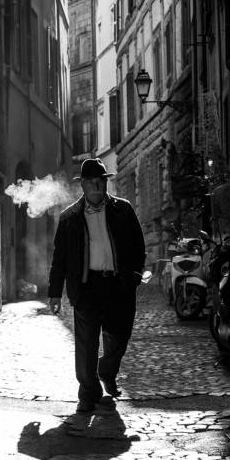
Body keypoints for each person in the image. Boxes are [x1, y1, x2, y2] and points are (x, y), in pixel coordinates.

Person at [46, 157, 147, 412]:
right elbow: (60, 258)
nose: (96, 186)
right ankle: (88, 393)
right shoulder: (69, 217)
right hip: (86, 287)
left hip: (118, 285)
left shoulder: (123, 210)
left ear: (105, 183)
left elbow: (138, 245)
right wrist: (55, 293)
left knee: (120, 335)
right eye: (91, 182)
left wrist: (135, 275)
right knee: (86, 344)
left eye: (100, 181)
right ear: (82, 185)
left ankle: (107, 370)